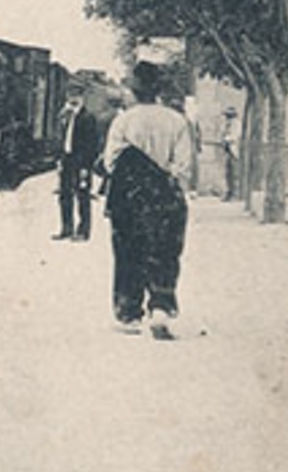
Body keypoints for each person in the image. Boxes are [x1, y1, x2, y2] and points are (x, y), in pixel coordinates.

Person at [101, 62, 195, 339]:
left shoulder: (123, 120)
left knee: (129, 252)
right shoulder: (177, 121)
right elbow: (183, 167)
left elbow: (111, 163)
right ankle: (161, 308)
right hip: (164, 197)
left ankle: (129, 313)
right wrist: (162, 180)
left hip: (128, 198)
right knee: (165, 250)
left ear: (133, 90)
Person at [52, 84, 100, 241]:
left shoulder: (88, 118)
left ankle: (83, 231)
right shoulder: (65, 116)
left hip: (81, 162)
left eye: (76, 95)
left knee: (82, 195)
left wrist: (87, 166)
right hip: (67, 159)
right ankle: (66, 228)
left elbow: (92, 144)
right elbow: (60, 139)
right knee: (64, 194)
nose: (72, 99)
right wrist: (59, 159)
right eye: (70, 95)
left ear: (82, 98)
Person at [220, 105, 241, 202]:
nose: (227, 118)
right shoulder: (227, 124)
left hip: (234, 150)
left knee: (235, 173)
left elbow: (234, 137)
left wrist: (226, 139)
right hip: (228, 150)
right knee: (228, 173)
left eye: (229, 116)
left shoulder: (236, 124)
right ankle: (229, 192)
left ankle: (235, 194)